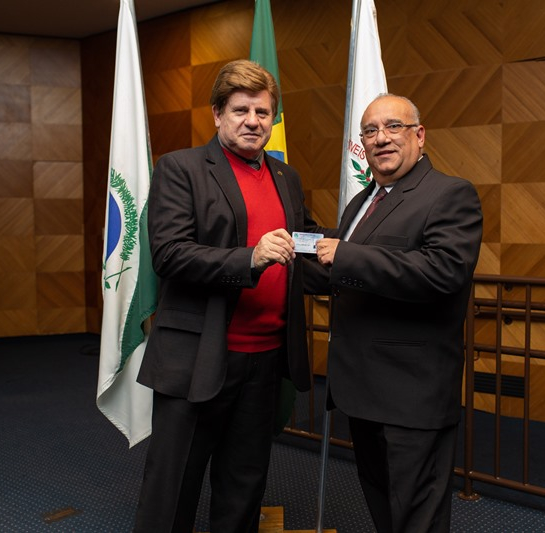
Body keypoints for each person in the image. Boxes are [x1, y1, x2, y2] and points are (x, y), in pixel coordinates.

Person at [133, 59, 322, 533]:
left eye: (263, 112)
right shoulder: (181, 168)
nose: (253, 121)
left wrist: (357, 253)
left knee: (244, 483)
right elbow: (170, 254)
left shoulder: (287, 177)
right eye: (241, 110)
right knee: (173, 487)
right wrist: (250, 258)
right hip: (198, 357)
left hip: (265, 359)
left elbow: (306, 242)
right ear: (218, 114)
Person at [314, 94, 483, 533]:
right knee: (384, 509)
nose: (381, 138)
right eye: (370, 131)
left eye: (394, 127)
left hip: (412, 395)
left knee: (417, 518)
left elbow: (443, 272)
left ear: (419, 135)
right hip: (362, 390)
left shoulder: (449, 194)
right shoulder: (362, 202)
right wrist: (285, 252)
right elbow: (343, 272)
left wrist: (346, 255)